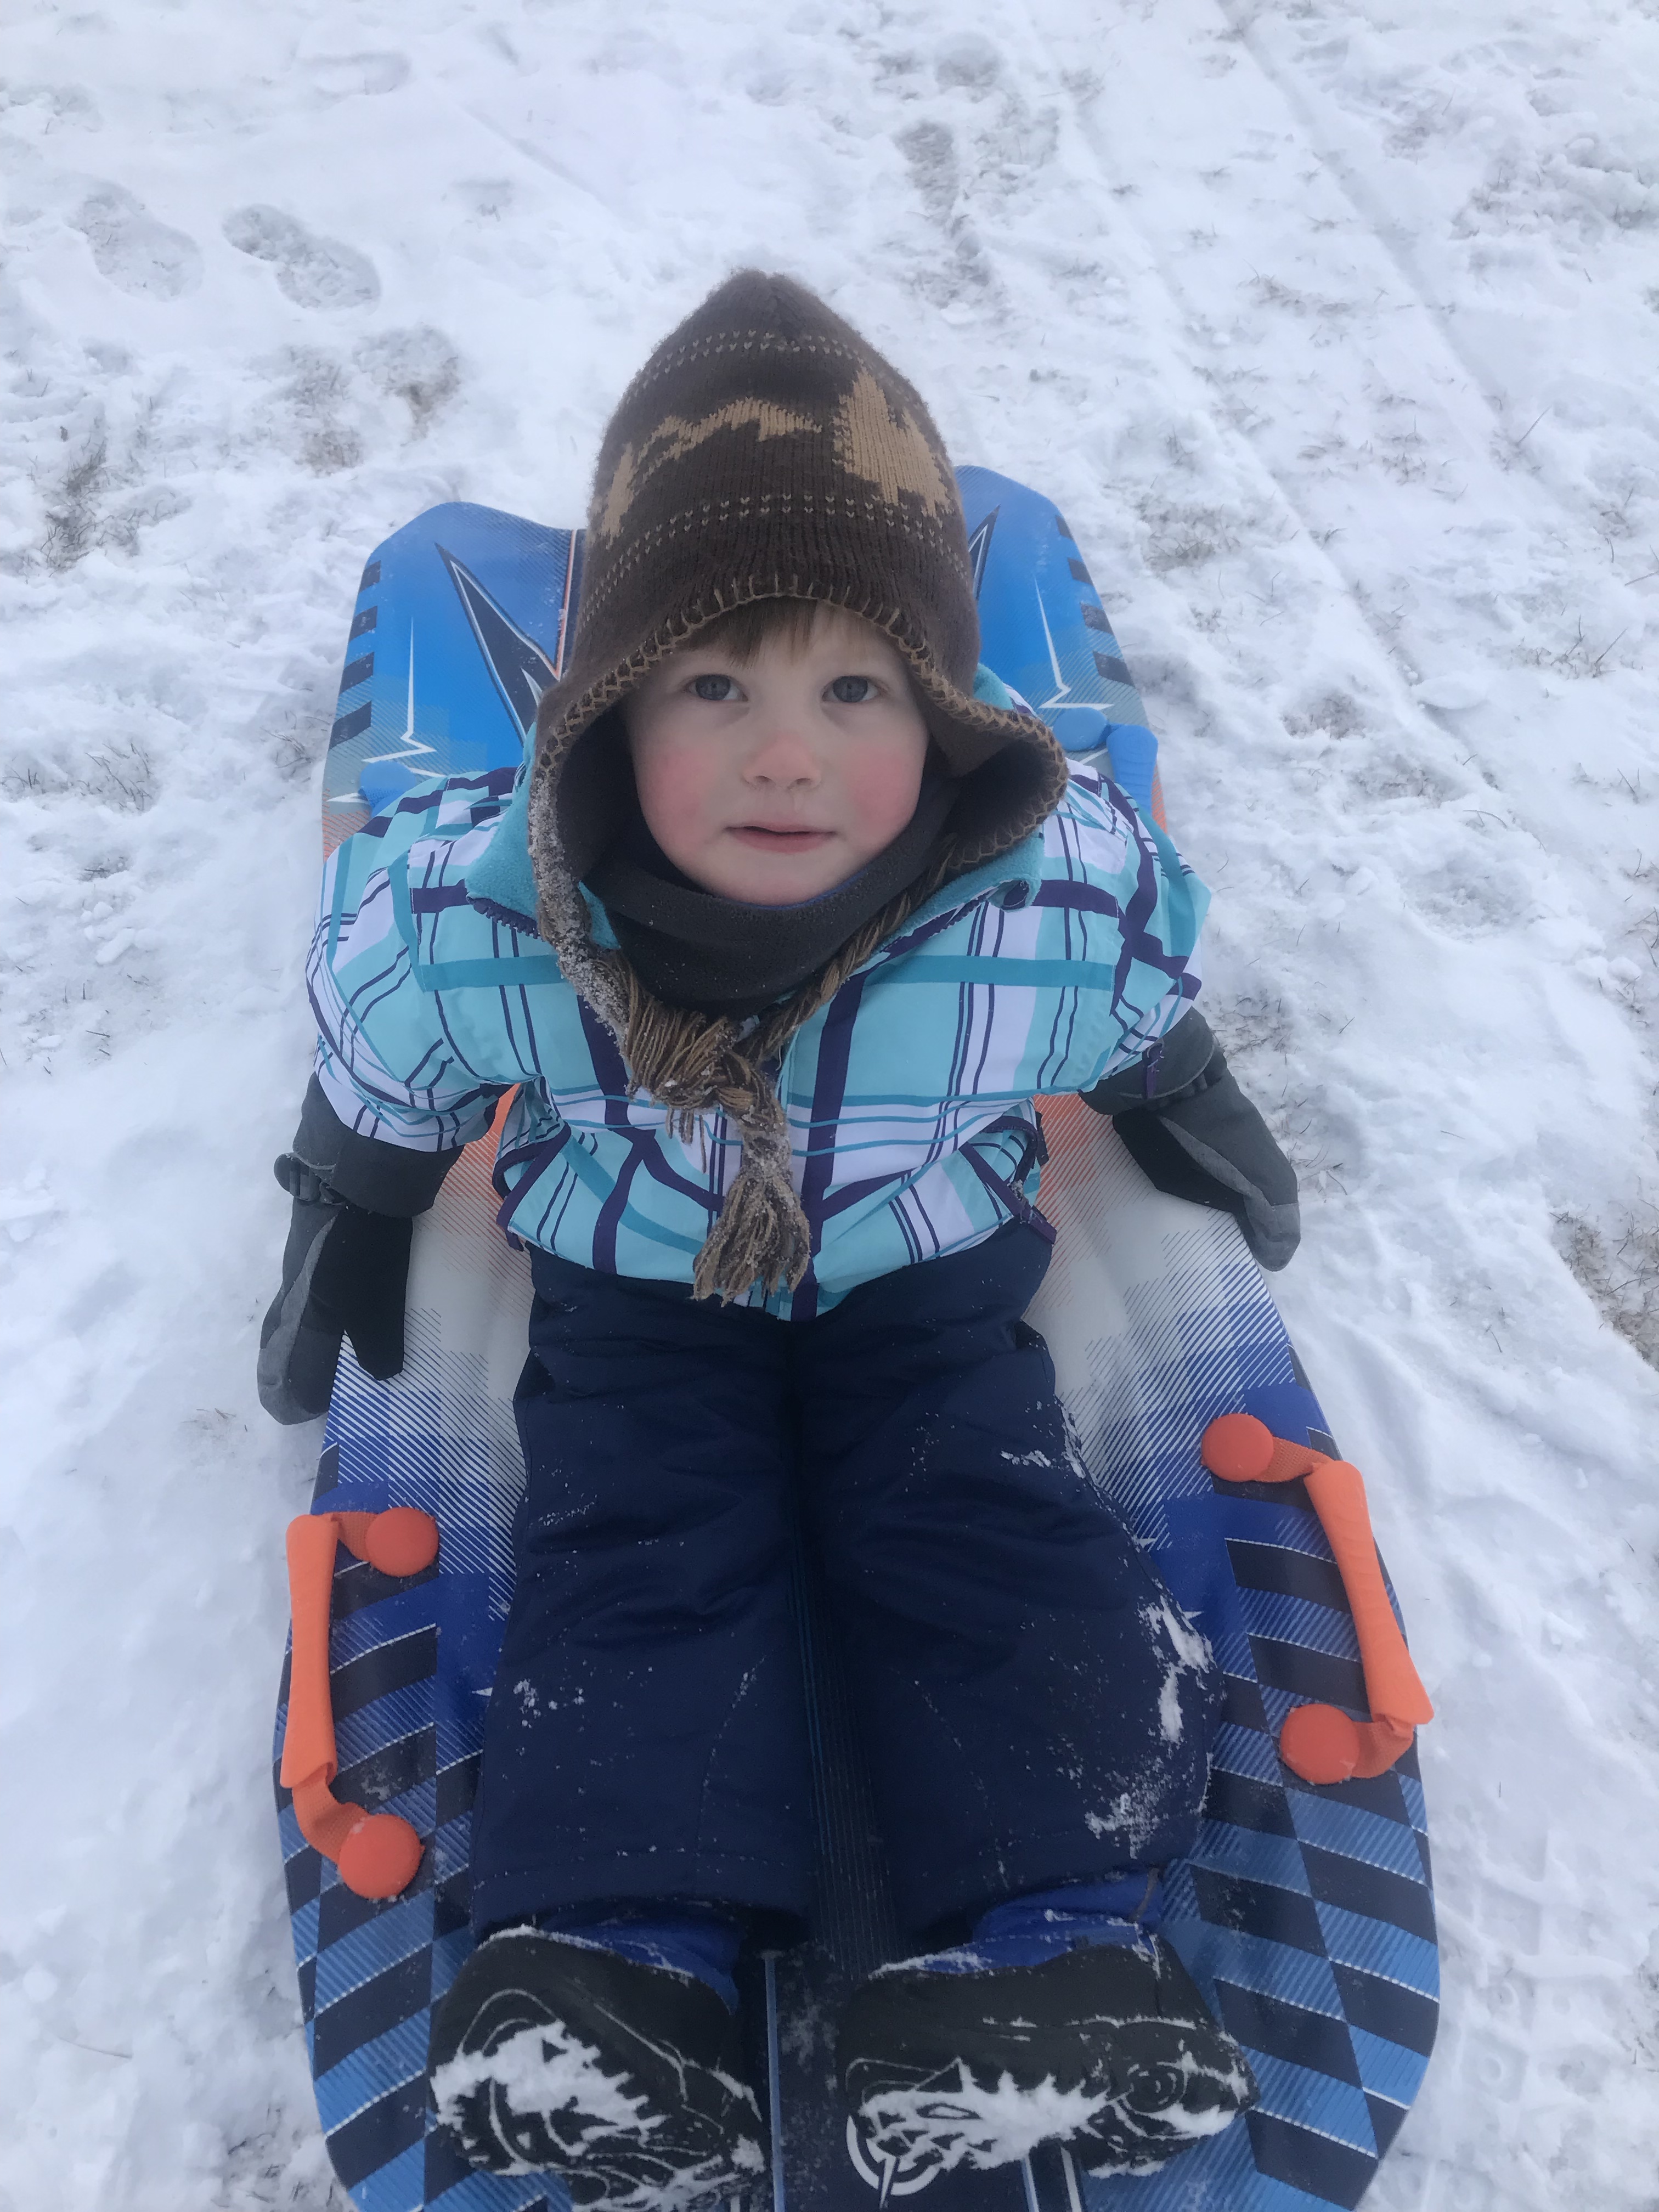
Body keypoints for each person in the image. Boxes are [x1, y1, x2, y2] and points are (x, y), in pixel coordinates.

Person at [259, 272, 1297, 2207]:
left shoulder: (1033, 893)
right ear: (607, 713)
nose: (787, 757)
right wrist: (354, 1194)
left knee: (988, 1515)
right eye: (715, 688)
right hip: (642, 1287)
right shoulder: (506, 910)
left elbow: (1132, 980)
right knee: (640, 1540)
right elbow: (389, 1027)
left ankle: (1058, 1947)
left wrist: (1179, 1090)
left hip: (924, 1273)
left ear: (944, 721)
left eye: (854, 691)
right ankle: (624, 1972)